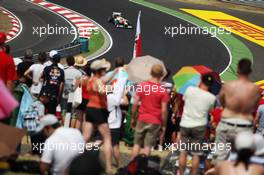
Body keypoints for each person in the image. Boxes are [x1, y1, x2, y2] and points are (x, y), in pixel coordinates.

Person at [213, 59, 261, 165]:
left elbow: (221, 101)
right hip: (244, 126)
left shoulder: (228, 86)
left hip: (227, 124)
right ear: (250, 71)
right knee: (240, 161)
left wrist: (230, 108)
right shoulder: (255, 89)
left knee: (219, 159)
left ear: (237, 70)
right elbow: (255, 107)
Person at [82, 58, 117, 173]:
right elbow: (102, 90)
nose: (105, 71)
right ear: (100, 70)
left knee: (85, 137)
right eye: (104, 70)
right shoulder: (98, 81)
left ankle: (75, 158)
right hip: (99, 110)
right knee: (107, 138)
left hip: (90, 109)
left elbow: (104, 80)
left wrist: (115, 72)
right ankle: (108, 167)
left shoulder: (90, 80)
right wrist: (111, 88)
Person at [178, 74, 216, 175]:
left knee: (183, 151)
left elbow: (184, 100)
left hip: (186, 123)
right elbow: (211, 110)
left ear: (201, 81)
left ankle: (180, 173)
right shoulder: (211, 97)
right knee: (196, 154)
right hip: (199, 126)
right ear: (211, 85)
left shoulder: (190, 89)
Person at [130, 64, 169, 160]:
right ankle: (143, 167)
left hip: (142, 117)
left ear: (151, 73)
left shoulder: (143, 86)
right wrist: (164, 125)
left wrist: (133, 117)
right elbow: (164, 110)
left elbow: (135, 103)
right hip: (155, 120)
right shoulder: (162, 90)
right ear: (161, 75)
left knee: (137, 144)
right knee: (147, 146)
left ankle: (131, 166)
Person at [107, 71, 128, 167]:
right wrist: (123, 93)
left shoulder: (105, 96)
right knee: (115, 145)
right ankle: (119, 164)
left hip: (106, 122)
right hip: (114, 124)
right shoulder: (112, 98)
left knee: (109, 144)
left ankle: (109, 163)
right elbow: (126, 102)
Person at [62, 56, 82, 127]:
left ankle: (65, 127)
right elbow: (78, 84)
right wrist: (73, 90)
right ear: (74, 62)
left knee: (64, 111)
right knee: (73, 113)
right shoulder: (78, 72)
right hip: (73, 94)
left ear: (67, 62)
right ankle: (72, 129)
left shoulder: (64, 71)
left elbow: (62, 83)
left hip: (65, 92)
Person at [74, 61, 91, 129]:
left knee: (78, 119)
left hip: (80, 99)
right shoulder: (92, 80)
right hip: (89, 100)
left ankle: (76, 133)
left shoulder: (81, 78)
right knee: (85, 120)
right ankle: (84, 135)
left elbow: (75, 87)